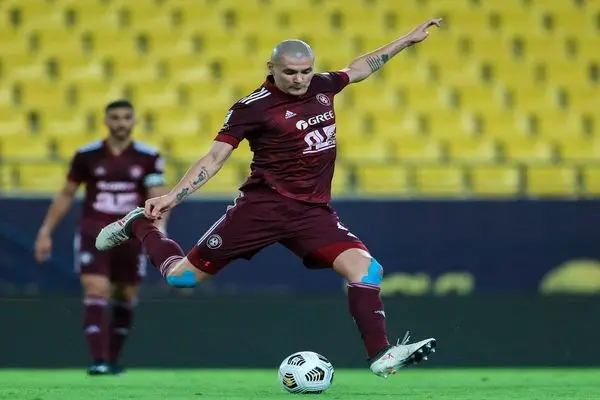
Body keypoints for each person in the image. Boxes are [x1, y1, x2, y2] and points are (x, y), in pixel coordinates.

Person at [95, 19, 442, 378]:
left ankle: (380, 354)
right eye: (290, 72)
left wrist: (406, 41)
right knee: (182, 279)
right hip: (263, 208)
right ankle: (139, 225)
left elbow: (358, 68)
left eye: (305, 71)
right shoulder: (252, 107)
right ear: (271, 68)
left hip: (311, 213)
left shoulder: (322, 85)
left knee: (368, 269)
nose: (299, 79)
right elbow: (214, 158)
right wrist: (173, 196)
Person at [34, 100, 168, 375]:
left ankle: (113, 360)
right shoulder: (87, 155)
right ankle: (99, 360)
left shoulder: (148, 156)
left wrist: (160, 228)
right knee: (96, 288)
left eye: (126, 117)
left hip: (131, 234)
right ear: (106, 121)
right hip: (94, 231)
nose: (121, 123)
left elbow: (157, 195)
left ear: (134, 121)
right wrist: (45, 231)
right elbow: (67, 193)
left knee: (126, 293)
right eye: (115, 118)